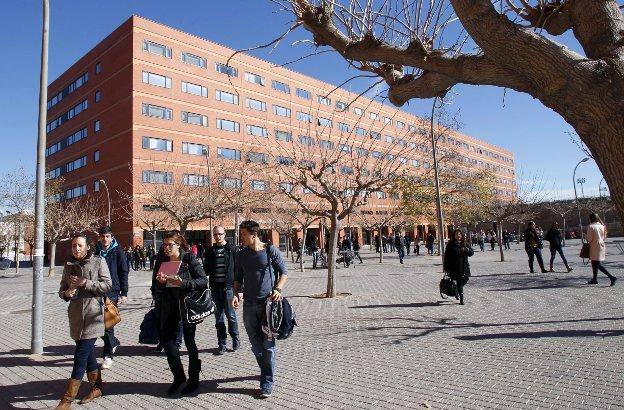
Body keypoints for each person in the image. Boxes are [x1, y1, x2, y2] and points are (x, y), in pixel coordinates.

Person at [232, 220, 288, 399]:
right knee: (256, 345)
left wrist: (278, 289)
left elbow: (284, 273)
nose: (241, 237)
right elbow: (238, 280)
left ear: (254, 235)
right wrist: (236, 294)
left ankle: (267, 381)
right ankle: (266, 371)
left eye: (243, 234)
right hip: (249, 305)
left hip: (268, 305)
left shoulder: (270, 251)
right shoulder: (241, 255)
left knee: (268, 345)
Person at [56, 234, 112, 408]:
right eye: (74, 246)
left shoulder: (98, 261)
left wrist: (85, 282)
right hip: (75, 317)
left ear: (88, 246)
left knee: (80, 355)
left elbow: (107, 285)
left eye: (80, 245)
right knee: (87, 354)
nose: (76, 249)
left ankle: (66, 400)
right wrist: (67, 293)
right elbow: (62, 290)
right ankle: (97, 388)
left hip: (93, 315)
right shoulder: (69, 265)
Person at [153, 231, 208, 395]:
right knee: (167, 342)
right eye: (165, 245)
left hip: (187, 306)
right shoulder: (162, 259)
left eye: (170, 245)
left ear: (179, 245)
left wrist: (183, 282)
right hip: (168, 307)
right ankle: (178, 377)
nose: (167, 248)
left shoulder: (188, 258)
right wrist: (160, 283)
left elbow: (203, 280)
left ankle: (193, 379)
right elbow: (156, 284)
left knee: (190, 343)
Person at [95, 226, 129, 370]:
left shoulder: (118, 252)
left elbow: (124, 271)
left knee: (108, 324)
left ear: (111, 237)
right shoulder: (95, 251)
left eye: (107, 236)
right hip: (96, 290)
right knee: (96, 323)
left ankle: (108, 356)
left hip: (112, 291)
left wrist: (124, 292)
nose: (105, 239)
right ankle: (113, 342)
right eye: (102, 236)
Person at [203, 226, 240, 355]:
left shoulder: (233, 250)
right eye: (215, 235)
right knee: (218, 318)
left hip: (228, 288)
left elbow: (238, 271)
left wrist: (239, 290)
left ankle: (235, 338)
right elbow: (205, 270)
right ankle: (222, 343)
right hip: (215, 288)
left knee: (231, 316)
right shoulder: (210, 251)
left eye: (219, 234)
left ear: (225, 234)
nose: (217, 237)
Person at [443, 229, 474, 305]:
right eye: (456, 234)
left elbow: (471, 253)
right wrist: (446, 268)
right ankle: (461, 300)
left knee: (466, 279)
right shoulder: (450, 244)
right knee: (459, 282)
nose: (458, 235)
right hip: (455, 267)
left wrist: (467, 249)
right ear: (454, 236)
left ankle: (456, 289)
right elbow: (446, 257)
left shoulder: (465, 243)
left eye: (459, 234)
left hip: (464, 266)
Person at [586, 213, 617, 286]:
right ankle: (594, 279)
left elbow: (589, 239)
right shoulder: (602, 226)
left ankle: (611, 277)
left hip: (594, 246)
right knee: (594, 263)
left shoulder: (591, 226)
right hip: (601, 245)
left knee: (596, 264)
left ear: (590, 219)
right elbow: (604, 237)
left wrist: (585, 237)